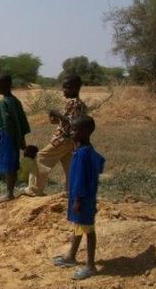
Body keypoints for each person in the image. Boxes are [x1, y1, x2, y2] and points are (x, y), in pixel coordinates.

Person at [52, 116, 105, 281]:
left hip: (82, 200)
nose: (71, 132)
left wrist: (78, 200)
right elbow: (99, 164)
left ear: (86, 132)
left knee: (88, 230)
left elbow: (82, 179)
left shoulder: (83, 154)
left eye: (75, 130)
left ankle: (90, 266)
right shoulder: (84, 150)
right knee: (78, 227)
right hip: (80, 198)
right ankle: (71, 256)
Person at [25, 74, 87, 196]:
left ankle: (34, 190)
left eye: (67, 87)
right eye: (63, 87)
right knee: (70, 166)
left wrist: (57, 114)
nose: (64, 90)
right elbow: (70, 121)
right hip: (72, 141)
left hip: (63, 140)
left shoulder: (73, 103)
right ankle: (72, 192)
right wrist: (58, 120)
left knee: (41, 158)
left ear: (76, 88)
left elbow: (73, 122)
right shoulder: (81, 104)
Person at [0, 74, 31, 203]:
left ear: (4, 86)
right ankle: (10, 191)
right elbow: (22, 121)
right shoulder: (16, 101)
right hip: (15, 137)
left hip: (7, 137)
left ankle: (9, 193)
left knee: (8, 164)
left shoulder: (3, 103)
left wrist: (9, 137)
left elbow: (7, 122)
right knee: (13, 164)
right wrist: (21, 139)